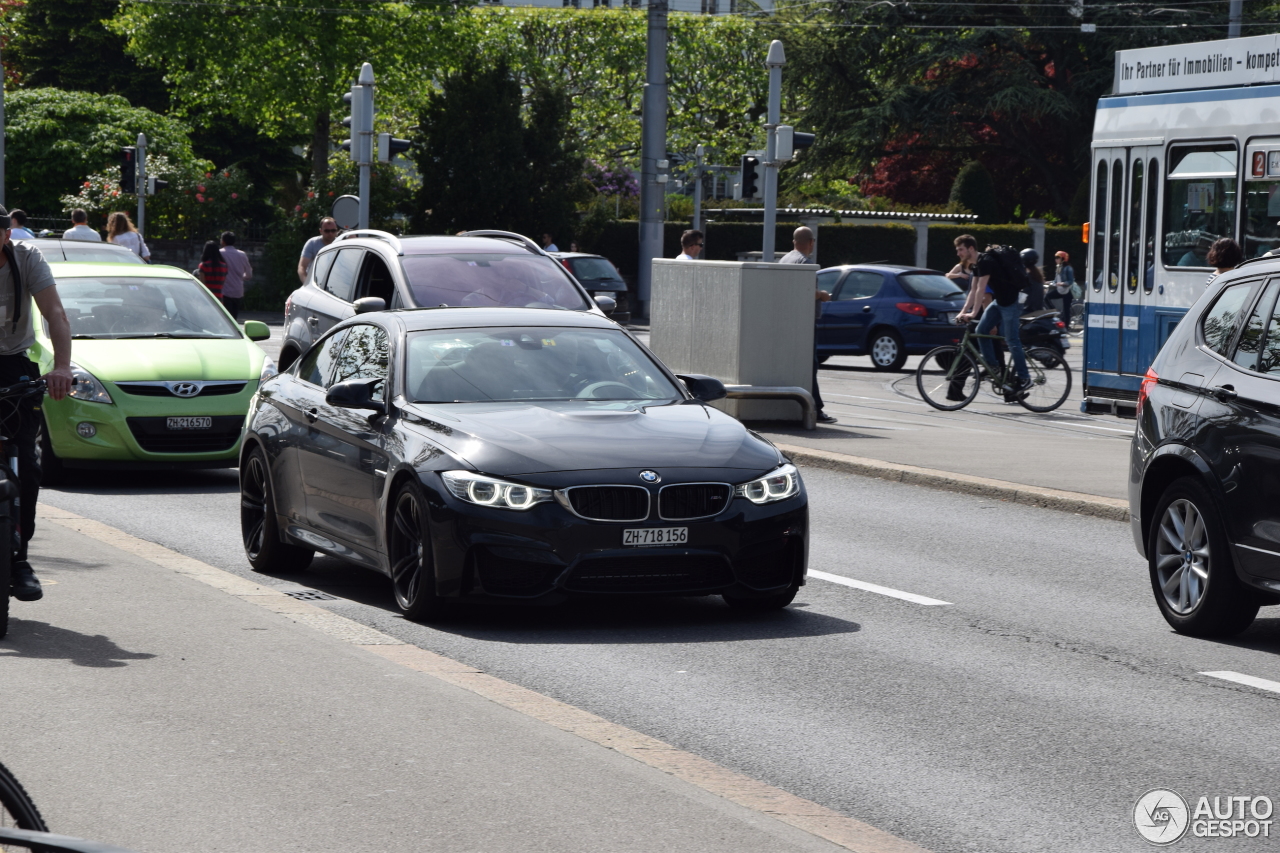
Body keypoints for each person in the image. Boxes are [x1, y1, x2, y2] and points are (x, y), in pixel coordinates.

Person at [0, 205, 73, 601]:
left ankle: (19, 559)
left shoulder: (27, 259)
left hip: (13, 365)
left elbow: (55, 314)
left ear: (6, 235)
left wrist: (61, 366)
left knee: (27, 465)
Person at [778, 226, 837, 425]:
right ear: (811, 242)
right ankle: (816, 408)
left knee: (796, 364)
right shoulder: (805, 263)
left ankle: (799, 404)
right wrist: (822, 295)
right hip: (805, 323)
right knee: (810, 366)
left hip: (788, 320)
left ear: (794, 241)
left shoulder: (785, 260)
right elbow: (808, 292)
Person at [957, 244, 1030, 401]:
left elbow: (981, 289)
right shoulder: (977, 264)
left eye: (960, 249)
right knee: (981, 331)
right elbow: (973, 290)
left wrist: (974, 313)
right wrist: (963, 311)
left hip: (1011, 302)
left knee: (1012, 341)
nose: (958, 253)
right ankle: (993, 367)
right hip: (1000, 302)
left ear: (971, 248)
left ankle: (1025, 379)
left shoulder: (986, 261)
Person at [220, 231, 253, 319]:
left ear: (223, 241)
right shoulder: (242, 254)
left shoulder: (220, 253)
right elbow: (249, 274)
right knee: (234, 318)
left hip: (224, 291)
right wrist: (241, 277)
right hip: (238, 291)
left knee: (225, 318)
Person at [297, 218, 339, 283]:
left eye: (333, 230)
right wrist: (306, 283)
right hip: (315, 282)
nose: (330, 233)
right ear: (321, 231)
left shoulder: (341, 243)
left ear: (336, 231)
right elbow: (302, 267)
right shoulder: (313, 243)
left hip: (337, 282)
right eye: (327, 231)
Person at [1050, 251, 1075, 329]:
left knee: (1066, 309)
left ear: (1063, 259)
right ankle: (1054, 312)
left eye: (1058, 258)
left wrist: (1062, 283)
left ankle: (1066, 327)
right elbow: (1055, 280)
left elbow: (1071, 281)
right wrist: (1048, 282)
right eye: (1055, 258)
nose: (1056, 259)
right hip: (1060, 290)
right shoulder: (1058, 267)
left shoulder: (1068, 268)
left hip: (1067, 290)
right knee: (1047, 297)